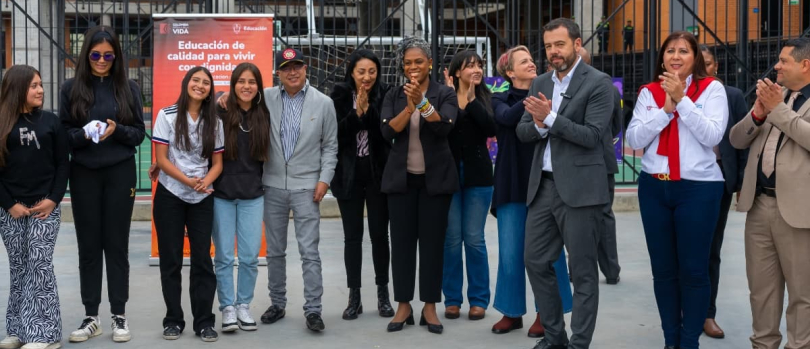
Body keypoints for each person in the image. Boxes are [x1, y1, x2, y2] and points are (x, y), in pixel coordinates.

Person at [516, 18, 615, 349]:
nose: (553, 52)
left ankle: (579, 344)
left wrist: (551, 118)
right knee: (534, 260)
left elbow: (591, 136)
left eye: (559, 44)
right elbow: (522, 131)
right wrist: (540, 124)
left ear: (576, 44)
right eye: (547, 46)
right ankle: (554, 337)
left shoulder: (598, 83)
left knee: (583, 272)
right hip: (542, 187)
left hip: (582, 191)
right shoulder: (540, 82)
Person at [626, 31, 728, 349]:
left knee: (694, 270)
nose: (675, 56)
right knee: (664, 271)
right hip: (655, 188)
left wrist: (683, 101)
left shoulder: (711, 89)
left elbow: (712, 134)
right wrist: (665, 108)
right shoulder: (648, 93)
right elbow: (634, 139)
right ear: (662, 57)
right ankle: (671, 339)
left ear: (695, 57)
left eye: (684, 50)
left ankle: (689, 342)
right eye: (670, 50)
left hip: (699, 189)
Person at [58, 25, 145, 344]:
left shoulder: (128, 88)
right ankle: (90, 315)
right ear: (87, 55)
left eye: (108, 55)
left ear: (116, 56)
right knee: (89, 246)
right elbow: (64, 137)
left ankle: (118, 315)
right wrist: (84, 133)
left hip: (120, 173)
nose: (102, 60)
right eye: (96, 54)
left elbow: (138, 133)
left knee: (117, 245)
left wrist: (116, 131)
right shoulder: (71, 88)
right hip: (83, 174)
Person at [730, 37, 810, 349]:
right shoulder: (776, 97)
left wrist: (777, 110)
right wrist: (758, 115)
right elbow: (737, 140)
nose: (776, 65)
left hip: (800, 213)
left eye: (784, 61)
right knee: (761, 291)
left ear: (805, 65)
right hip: (759, 207)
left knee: (803, 294)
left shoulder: (780, 102)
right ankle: (763, 344)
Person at [490, 46, 573, 338]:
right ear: (509, 72)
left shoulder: (553, 97)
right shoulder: (499, 98)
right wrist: (536, 94)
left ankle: (546, 313)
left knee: (549, 254)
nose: (532, 64)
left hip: (546, 184)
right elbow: (508, 119)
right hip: (512, 185)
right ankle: (511, 313)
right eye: (523, 61)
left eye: (532, 60)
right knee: (511, 254)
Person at [380, 36, 459, 335]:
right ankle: (403, 305)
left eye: (419, 61)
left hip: (435, 183)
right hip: (400, 182)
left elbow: (442, 127)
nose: (413, 67)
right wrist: (409, 106)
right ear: (402, 66)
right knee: (400, 245)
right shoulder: (393, 94)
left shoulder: (444, 93)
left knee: (432, 246)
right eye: (408, 62)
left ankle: (429, 306)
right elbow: (387, 132)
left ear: (430, 64)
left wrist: (423, 104)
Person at [257, 48, 337, 332]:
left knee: (309, 252)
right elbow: (237, 100)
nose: (293, 72)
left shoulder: (323, 103)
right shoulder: (265, 98)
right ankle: (277, 303)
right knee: (275, 252)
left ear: (306, 69)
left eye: (297, 66)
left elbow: (330, 146)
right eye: (286, 67)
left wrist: (324, 180)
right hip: (272, 185)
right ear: (278, 73)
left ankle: (313, 310)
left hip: (307, 188)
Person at [152, 66, 223, 343]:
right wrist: (188, 180)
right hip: (171, 194)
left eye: (206, 82)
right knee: (170, 259)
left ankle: (204, 321)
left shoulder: (214, 121)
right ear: (186, 83)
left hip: (202, 196)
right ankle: (173, 320)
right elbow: (162, 159)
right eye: (196, 80)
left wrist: (204, 181)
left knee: (203, 260)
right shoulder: (167, 115)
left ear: (209, 90)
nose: (200, 85)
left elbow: (217, 164)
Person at [0, 65, 69, 349]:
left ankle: (44, 334)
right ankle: (18, 329)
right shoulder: (3, 124)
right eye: (34, 86)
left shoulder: (51, 123)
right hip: (11, 209)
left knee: (39, 264)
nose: (40, 90)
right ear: (17, 89)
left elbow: (63, 164)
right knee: (19, 267)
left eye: (40, 84)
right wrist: (9, 204)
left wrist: (53, 199)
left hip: (45, 207)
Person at [329, 49, 394, 320]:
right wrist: (357, 114)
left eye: (372, 71)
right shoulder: (340, 95)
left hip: (378, 175)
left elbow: (386, 133)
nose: (367, 77)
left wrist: (369, 112)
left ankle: (383, 294)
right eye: (361, 72)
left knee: (380, 236)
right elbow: (336, 134)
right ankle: (354, 296)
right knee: (352, 237)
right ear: (351, 73)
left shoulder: (387, 93)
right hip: (349, 176)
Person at [211, 63, 270, 332]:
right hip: (221, 195)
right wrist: (219, 95)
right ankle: (227, 308)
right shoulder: (220, 111)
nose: (246, 86)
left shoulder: (264, 113)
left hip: (252, 196)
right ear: (233, 85)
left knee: (248, 257)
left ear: (259, 86)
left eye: (252, 81)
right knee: (223, 257)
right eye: (241, 81)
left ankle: (243, 304)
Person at [440, 51, 497, 321]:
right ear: (456, 71)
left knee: (474, 239)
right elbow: (441, 131)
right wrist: (452, 99)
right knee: (451, 240)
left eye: (479, 65)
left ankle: (479, 300)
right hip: (449, 177)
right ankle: (452, 299)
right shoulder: (444, 96)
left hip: (479, 178)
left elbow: (490, 128)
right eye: (469, 65)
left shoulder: (486, 97)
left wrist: (472, 101)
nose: (476, 69)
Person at [699, 45, 749, 339]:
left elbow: (743, 142)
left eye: (707, 63)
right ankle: (683, 309)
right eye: (698, 63)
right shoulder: (681, 95)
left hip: (719, 183)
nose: (702, 69)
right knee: (682, 251)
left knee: (710, 251)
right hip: (685, 181)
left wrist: (740, 182)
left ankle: (707, 313)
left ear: (715, 66)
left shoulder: (732, 96)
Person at [579, 47, 623, 285]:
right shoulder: (608, 86)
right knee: (602, 217)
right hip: (600, 159)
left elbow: (616, 123)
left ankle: (581, 271)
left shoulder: (600, 85)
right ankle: (611, 271)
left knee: (595, 216)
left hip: (596, 162)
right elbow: (617, 124)